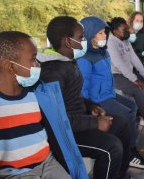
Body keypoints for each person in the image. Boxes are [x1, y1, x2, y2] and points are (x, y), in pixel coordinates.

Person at [0, 31, 87, 179]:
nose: (38, 64)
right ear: (11, 67)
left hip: (48, 163)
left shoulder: (40, 93)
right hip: (14, 174)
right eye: (33, 59)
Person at [37, 16, 131, 179]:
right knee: (112, 148)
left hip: (78, 121)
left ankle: (119, 175)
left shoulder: (68, 61)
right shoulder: (53, 72)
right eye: (81, 38)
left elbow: (73, 96)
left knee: (121, 123)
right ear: (68, 42)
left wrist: (90, 106)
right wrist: (95, 123)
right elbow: (59, 119)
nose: (84, 41)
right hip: (65, 134)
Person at [77, 16, 144, 170]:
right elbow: (83, 88)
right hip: (97, 99)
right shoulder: (84, 58)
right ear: (89, 35)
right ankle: (131, 153)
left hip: (108, 93)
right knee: (126, 115)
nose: (104, 36)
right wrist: (89, 109)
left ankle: (130, 147)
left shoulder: (102, 52)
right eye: (99, 34)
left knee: (132, 106)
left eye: (104, 32)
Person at [107, 17, 144, 133]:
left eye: (127, 29)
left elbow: (134, 59)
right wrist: (134, 79)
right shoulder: (111, 43)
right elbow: (118, 64)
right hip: (116, 75)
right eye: (124, 29)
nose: (127, 31)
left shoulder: (126, 41)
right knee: (139, 89)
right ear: (115, 30)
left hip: (128, 73)